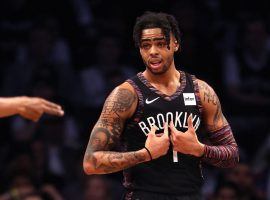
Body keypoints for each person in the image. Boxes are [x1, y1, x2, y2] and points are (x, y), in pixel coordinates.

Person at [83, 11, 239, 200]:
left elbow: (232, 155)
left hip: (191, 195)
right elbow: (91, 162)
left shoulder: (201, 91)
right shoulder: (126, 95)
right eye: (146, 45)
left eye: (160, 43)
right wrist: (145, 154)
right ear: (140, 49)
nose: (153, 51)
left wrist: (199, 149)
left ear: (175, 44)